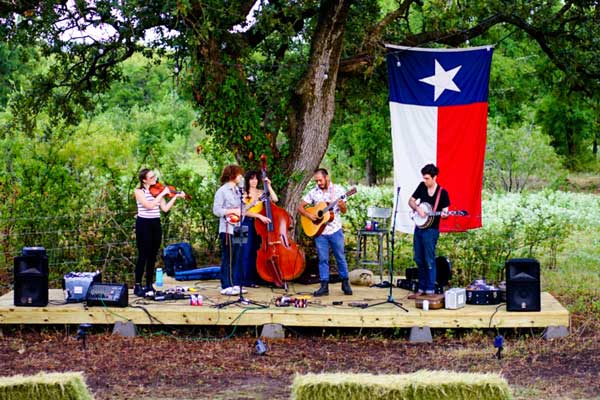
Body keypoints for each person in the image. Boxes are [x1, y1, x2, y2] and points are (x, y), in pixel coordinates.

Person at [297, 168, 352, 296]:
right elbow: (300, 205)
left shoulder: (338, 190)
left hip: (335, 230)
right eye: (316, 181)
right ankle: (324, 285)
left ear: (327, 177)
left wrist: (342, 205)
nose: (318, 183)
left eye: (320, 180)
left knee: (340, 257)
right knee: (323, 259)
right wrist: (309, 215)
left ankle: (345, 283)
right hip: (319, 231)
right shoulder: (314, 192)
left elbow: (344, 210)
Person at [133, 168, 185, 297]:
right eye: (151, 177)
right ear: (144, 180)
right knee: (142, 255)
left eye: (154, 176)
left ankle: (149, 284)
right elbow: (149, 205)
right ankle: (138, 285)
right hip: (143, 224)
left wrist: (176, 196)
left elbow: (165, 208)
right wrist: (162, 194)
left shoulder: (158, 191)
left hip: (155, 223)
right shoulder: (139, 191)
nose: (155, 179)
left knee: (152, 255)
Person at [408, 163, 450, 297]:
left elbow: (445, 212)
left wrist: (444, 215)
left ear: (434, 177)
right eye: (424, 178)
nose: (424, 181)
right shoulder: (421, 186)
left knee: (429, 259)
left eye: (427, 178)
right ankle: (421, 288)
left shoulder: (442, 193)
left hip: (431, 230)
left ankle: (430, 289)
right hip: (419, 228)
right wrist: (418, 208)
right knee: (419, 258)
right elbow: (411, 201)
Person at [212, 164, 248, 296]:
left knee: (239, 255)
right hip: (227, 227)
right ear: (233, 175)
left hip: (240, 226)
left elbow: (243, 210)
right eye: (239, 174)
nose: (241, 177)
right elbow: (216, 210)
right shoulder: (222, 191)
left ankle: (236, 283)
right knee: (229, 256)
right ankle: (226, 284)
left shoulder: (238, 191)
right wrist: (231, 210)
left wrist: (249, 202)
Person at [239, 170, 277, 287]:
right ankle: (242, 280)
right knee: (243, 251)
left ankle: (254, 278)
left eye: (256, 179)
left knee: (255, 251)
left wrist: (269, 186)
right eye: (251, 179)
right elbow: (242, 211)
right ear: (247, 180)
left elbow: (275, 200)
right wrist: (259, 215)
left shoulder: (262, 192)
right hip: (244, 222)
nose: (254, 181)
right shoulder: (243, 193)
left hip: (258, 224)